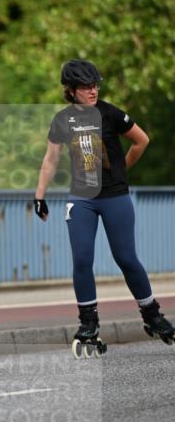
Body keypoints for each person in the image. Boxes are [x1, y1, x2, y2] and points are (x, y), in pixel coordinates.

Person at [34, 58, 174, 353]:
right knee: (82, 260)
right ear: (70, 90)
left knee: (126, 258)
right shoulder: (62, 119)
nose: (93, 90)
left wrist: (122, 169)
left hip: (115, 197)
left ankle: (152, 315)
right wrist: (39, 195)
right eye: (86, 87)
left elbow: (142, 140)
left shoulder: (109, 113)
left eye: (95, 84)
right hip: (82, 199)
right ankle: (89, 323)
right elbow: (50, 159)